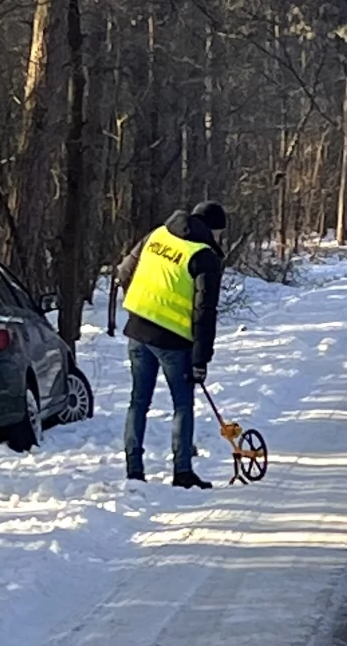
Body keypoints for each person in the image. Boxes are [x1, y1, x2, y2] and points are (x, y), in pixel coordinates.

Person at [116, 201, 227, 489]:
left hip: (138, 330)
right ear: (213, 230)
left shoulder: (158, 235)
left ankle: (134, 470)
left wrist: (140, 304)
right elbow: (205, 313)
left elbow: (124, 271)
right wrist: (201, 359)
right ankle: (182, 471)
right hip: (174, 342)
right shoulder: (204, 258)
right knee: (182, 404)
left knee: (138, 401)